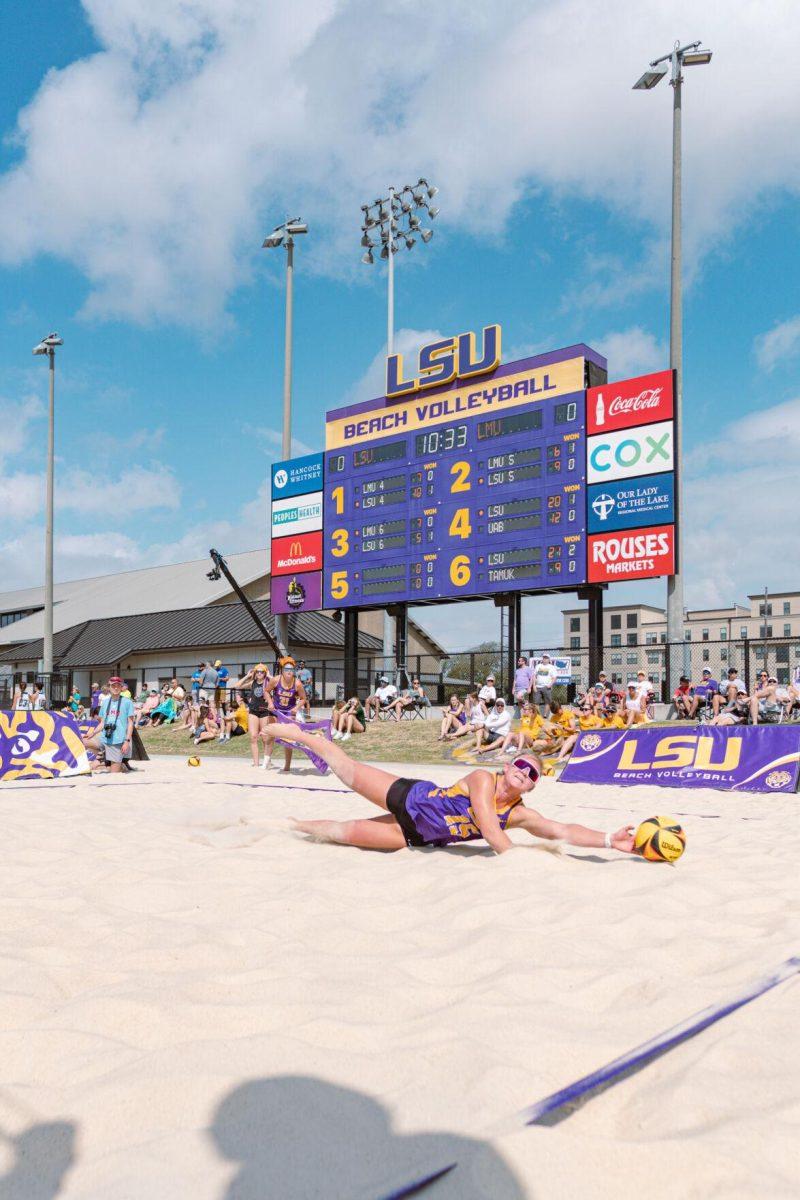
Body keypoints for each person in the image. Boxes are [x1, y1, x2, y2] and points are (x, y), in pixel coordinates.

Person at [269, 725, 636, 855]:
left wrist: (609, 839)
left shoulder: (520, 813)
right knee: (346, 770)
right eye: (522, 767)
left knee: (340, 834)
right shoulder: (482, 779)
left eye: (533, 776)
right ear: (508, 767)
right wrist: (516, 858)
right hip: (409, 796)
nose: (525, 775)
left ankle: (292, 825)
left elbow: (563, 831)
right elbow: (490, 830)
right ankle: (305, 736)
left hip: (412, 836)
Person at [82, 676, 135, 773]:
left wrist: (127, 741)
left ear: (121, 687)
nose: (115, 688)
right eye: (113, 686)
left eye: (118, 686)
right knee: (83, 740)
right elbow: (102, 723)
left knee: (114, 773)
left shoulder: (127, 702)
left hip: (118, 741)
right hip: (104, 738)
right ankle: (103, 759)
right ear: (109, 687)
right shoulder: (105, 702)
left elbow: (131, 723)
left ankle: (121, 765)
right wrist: (92, 733)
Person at [265, 657, 308, 772]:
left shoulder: (297, 683)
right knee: (270, 734)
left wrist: (296, 707)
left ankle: (287, 766)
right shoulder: (275, 680)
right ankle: (266, 761)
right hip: (275, 709)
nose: (289, 672)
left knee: (287, 739)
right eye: (286, 669)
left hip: (289, 711)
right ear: (282, 670)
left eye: (291, 669)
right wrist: (270, 702)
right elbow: (266, 691)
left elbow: (304, 698)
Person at [235, 664, 273, 767]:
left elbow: (278, 684)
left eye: (262, 672)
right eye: (257, 671)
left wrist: (269, 676)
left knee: (265, 738)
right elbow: (237, 686)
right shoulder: (252, 683)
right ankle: (256, 763)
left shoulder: (269, 682)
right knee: (253, 737)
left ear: (265, 673)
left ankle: (267, 761)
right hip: (253, 711)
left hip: (264, 712)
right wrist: (247, 676)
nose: (259, 673)